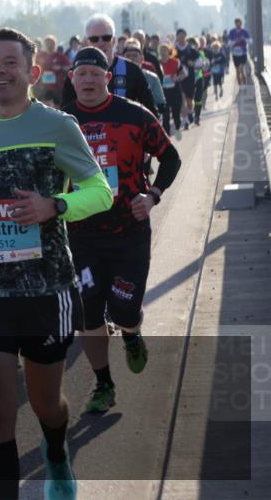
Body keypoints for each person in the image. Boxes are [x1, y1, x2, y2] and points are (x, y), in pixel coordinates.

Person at [0, 28, 113, 500]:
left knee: (45, 404)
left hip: (45, 287)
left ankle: (56, 452)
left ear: (32, 72)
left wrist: (54, 205)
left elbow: (100, 191)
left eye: (9, 63)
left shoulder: (58, 126)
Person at [61, 48, 181, 416]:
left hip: (129, 231)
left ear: (108, 78)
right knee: (89, 313)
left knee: (124, 309)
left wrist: (153, 195)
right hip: (82, 235)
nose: (88, 81)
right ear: (72, 79)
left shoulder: (134, 116)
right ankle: (104, 384)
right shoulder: (60, 124)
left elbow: (171, 157)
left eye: (95, 74)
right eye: (81, 74)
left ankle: (131, 332)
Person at [61, 14, 157, 116]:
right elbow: (65, 114)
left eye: (106, 38)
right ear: (86, 43)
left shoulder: (132, 70)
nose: (101, 43)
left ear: (114, 40)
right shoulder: (77, 73)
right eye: (94, 39)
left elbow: (151, 111)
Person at [122, 39, 166, 116]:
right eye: (128, 56)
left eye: (135, 55)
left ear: (142, 59)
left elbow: (161, 103)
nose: (131, 58)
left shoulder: (152, 78)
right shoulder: (116, 77)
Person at [33, 35, 72, 108]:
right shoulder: (41, 56)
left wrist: (60, 68)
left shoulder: (60, 56)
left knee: (58, 107)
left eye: (52, 43)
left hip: (57, 87)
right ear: (45, 44)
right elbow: (34, 68)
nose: (50, 45)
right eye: (48, 43)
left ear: (55, 44)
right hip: (44, 87)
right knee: (44, 107)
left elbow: (69, 67)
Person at [228, 17, 251, 86]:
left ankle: (245, 86)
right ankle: (240, 87)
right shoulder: (232, 32)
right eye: (237, 23)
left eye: (239, 23)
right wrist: (235, 41)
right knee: (237, 71)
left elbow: (250, 41)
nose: (238, 25)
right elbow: (229, 43)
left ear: (241, 23)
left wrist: (244, 39)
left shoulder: (245, 31)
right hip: (235, 53)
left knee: (242, 69)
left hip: (243, 53)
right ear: (235, 24)